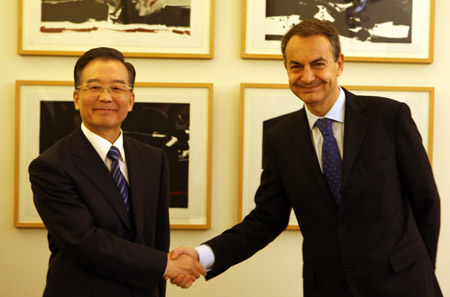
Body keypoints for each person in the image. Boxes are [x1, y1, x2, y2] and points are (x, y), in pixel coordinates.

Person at [169, 20, 442, 296]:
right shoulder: (280, 138)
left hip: (404, 285)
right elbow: (266, 219)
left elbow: (426, 201)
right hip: (328, 288)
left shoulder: (389, 117)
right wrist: (202, 256)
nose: (307, 76)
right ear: (286, 69)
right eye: (296, 66)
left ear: (339, 64)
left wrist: (422, 271)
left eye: (318, 63)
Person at [29, 47, 205, 297]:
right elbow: (85, 242)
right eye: (94, 87)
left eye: (117, 88)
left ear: (131, 100)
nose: (106, 97)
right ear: (77, 98)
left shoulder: (154, 159)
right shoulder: (50, 166)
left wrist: (164, 273)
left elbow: (157, 239)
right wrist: (166, 265)